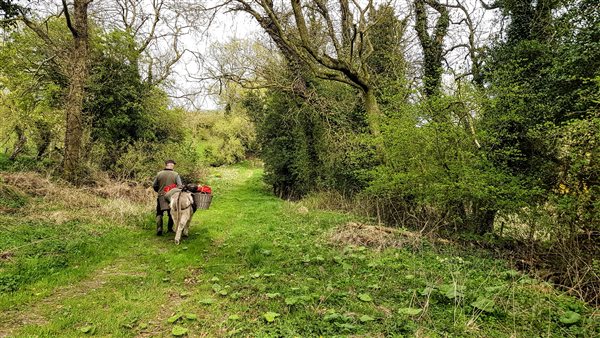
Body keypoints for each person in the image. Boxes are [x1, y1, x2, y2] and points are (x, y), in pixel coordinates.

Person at [152, 159, 182, 235]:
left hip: (161, 196)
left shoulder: (159, 174)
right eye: (173, 164)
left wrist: (159, 191)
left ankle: (159, 229)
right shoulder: (176, 174)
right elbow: (180, 186)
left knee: (159, 213)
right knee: (171, 212)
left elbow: (154, 185)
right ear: (171, 165)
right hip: (171, 197)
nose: (173, 166)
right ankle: (169, 229)